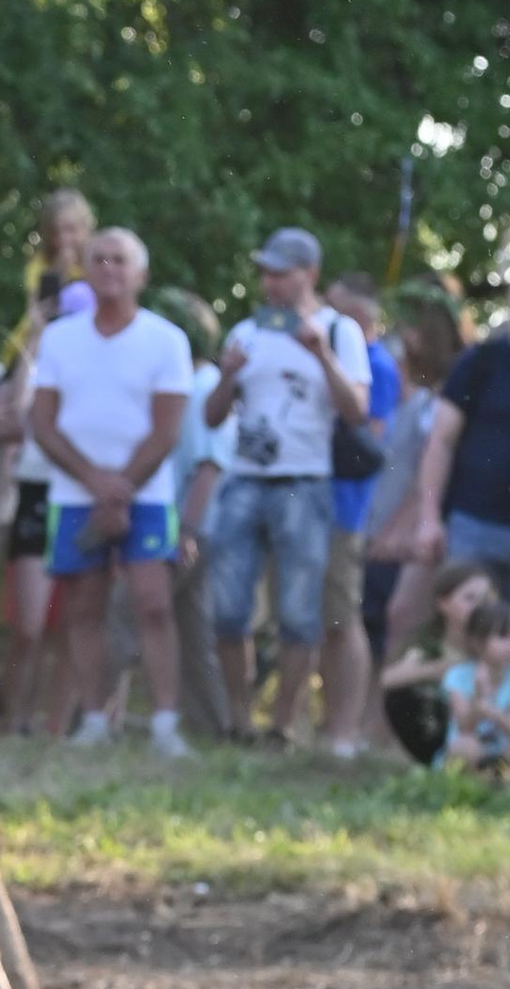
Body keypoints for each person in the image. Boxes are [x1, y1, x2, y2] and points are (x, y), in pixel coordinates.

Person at [26, 226, 192, 750]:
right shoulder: (59, 338)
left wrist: (121, 488)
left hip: (148, 495)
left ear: (140, 274)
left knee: (153, 602)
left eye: (120, 260)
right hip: (74, 493)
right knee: (83, 606)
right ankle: (94, 719)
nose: (108, 269)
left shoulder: (166, 340)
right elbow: (43, 422)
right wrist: (94, 481)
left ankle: (165, 723)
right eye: (98, 259)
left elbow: (167, 429)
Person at [203, 226, 370, 744]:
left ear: (310, 274)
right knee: (228, 609)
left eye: (281, 272)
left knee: (299, 613)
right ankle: (238, 720)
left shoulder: (339, 330)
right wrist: (227, 376)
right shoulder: (246, 332)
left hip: (304, 483)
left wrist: (322, 355)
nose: (270, 283)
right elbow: (211, 417)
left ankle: (281, 726)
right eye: (266, 273)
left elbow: (357, 411)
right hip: (245, 479)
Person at [394, 262, 510, 660]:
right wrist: (428, 518)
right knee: (461, 643)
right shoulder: (481, 361)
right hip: (474, 526)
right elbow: (440, 442)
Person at [0, 186, 91, 728]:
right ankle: (15, 717)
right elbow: (13, 409)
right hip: (36, 484)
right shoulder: (41, 323)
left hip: (79, 489)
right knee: (28, 625)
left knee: (72, 621)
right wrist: (34, 327)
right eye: (57, 232)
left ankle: (58, 722)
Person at [359, 294, 462, 741]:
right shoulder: (404, 401)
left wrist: (401, 527)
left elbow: (426, 473)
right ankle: (366, 725)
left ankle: (387, 728)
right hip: (380, 530)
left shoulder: (438, 403)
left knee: (400, 624)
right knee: (377, 628)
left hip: (413, 535)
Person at [318, 270, 399, 758]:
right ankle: (325, 724)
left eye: (336, 307)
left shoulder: (377, 364)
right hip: (316, 503)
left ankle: (345, 732)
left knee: (341, 619)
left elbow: (370, 438)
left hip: (346, 507)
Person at [154, 286, 229, 740]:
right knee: (192, 627)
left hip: (189, 526)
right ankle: (213, 724)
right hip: (194, 525)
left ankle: (100, 713)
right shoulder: (193, 385)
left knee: (130, 616)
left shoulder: (203, 389)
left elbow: (208, 467)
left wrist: (187, 531)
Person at [378, 563, 496, 770]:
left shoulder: (496, 645)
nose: (478, 607)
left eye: (485, 600)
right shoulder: (428, 644)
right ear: (443, 603)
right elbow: (387, 679)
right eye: (470, 598)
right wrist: (436, 670)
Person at [442, 606, 510, 775]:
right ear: (477, 641)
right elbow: (464, 727)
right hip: (469, 747)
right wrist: (478, 699)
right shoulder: (457, 675)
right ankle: (468, 784)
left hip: (504, 750)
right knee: (465, 747)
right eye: (503, 637)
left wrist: (490, 710)